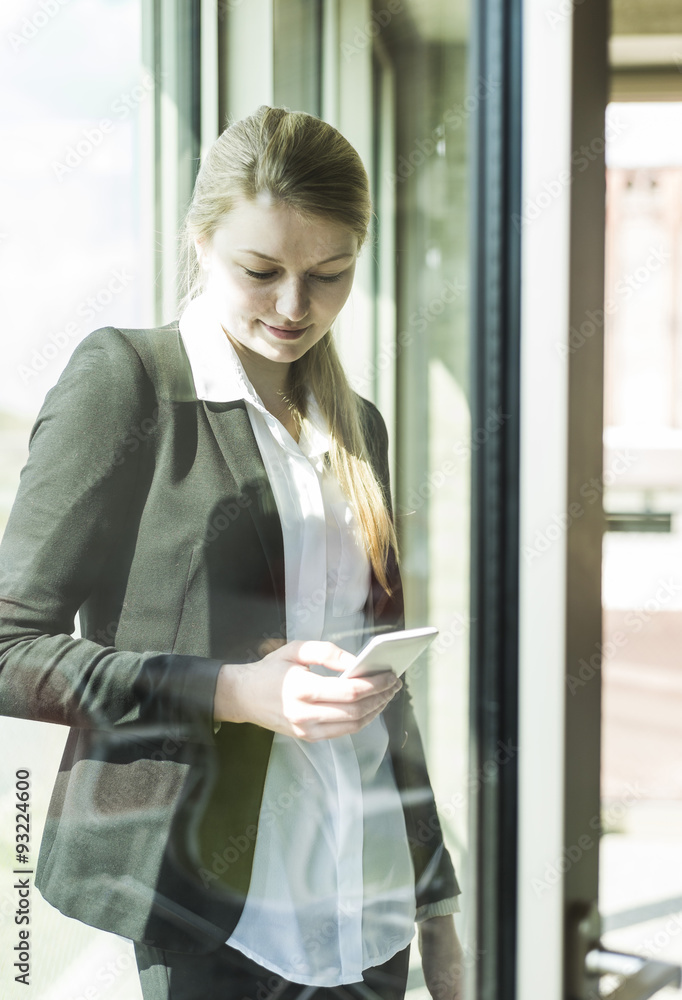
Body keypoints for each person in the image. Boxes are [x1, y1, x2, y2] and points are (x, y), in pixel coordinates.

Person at [0, 105, 463, 999]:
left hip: (367, 911)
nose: (296, 308)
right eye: (262, 271)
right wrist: (232, 692)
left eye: (330, 275)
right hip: (206, 913)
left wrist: (435, 902)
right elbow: (10, 647)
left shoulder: (356, 425)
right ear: (202, 243)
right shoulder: (128, 383)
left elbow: (382, 701)